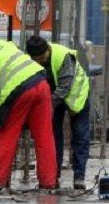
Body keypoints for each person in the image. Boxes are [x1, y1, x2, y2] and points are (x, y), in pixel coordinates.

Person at [0, 40, 57, 190]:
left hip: (19, 89)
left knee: (5, 134)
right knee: (44, 136)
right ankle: (48, 182)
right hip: (41, 82)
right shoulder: (3, 44)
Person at [25, 36, 91, 191]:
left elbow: (64, 87)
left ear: (47, 50)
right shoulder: (29, 59)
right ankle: (53, 176)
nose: (40, 62)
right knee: (53, 137)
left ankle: (79, 177)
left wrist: (47, 105)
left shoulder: (62, 56)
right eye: (36, 60)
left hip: (76, 95)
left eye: (42, 58)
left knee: (80, 136)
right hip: (54, 97)